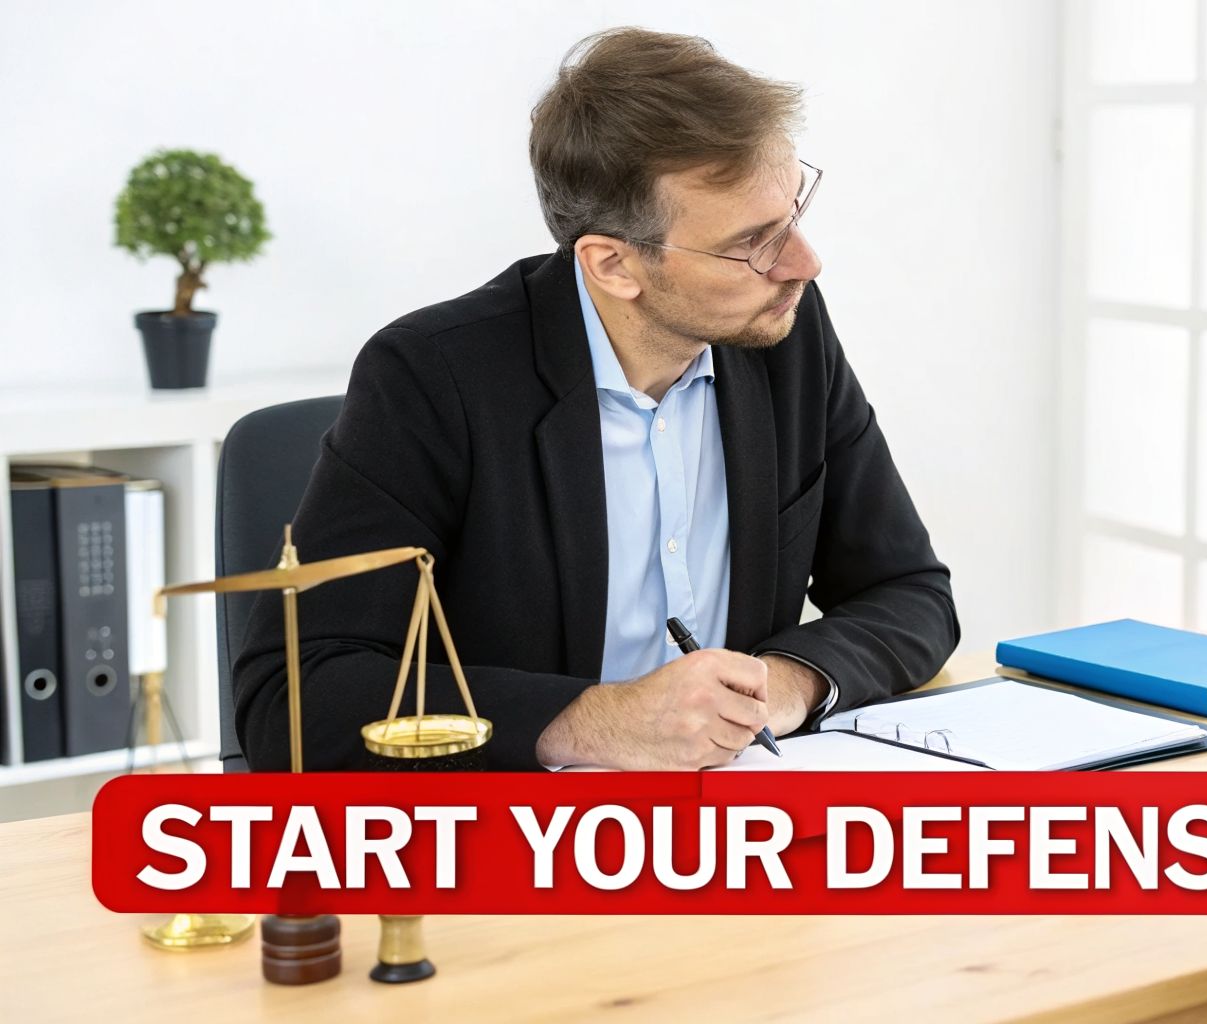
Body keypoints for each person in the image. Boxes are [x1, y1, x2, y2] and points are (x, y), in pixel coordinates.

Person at [234, 28, 958, 772]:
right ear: (612, 264)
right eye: (753, 242)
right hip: (515, 847)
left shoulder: (782, 337)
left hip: (730, 823)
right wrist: (593, 721)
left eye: (794, 214)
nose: (804, 263)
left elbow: (911, 594)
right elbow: (291, 695)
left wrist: (785, 684)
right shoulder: (431, 377)